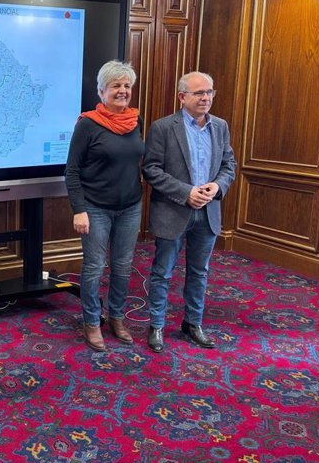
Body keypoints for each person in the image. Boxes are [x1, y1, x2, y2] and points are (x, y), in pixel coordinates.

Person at [142, 71, 236, 353]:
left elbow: (229, 165)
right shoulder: (162, 127)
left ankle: (193, 323)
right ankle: (156, 325)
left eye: (209, 92)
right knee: (162, 272)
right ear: (182, 97)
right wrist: (186, 192)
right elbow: (151, 169)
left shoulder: (220, 126)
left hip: (208, 214)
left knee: (199, 272)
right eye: (198, 93)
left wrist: (217, 187)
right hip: (173, 211)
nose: (206, 97)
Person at [65, 60, 145, 352]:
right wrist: (79, 209)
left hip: (130, 207)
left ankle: (117, 317)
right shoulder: (87, 124)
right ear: (102, 91)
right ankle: (91, 321)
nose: (122, 91)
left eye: (126, 86)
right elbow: (72, 171)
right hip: (95, 208)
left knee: (123, 267)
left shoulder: (136, 121)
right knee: (95, 267)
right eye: (116, 86)